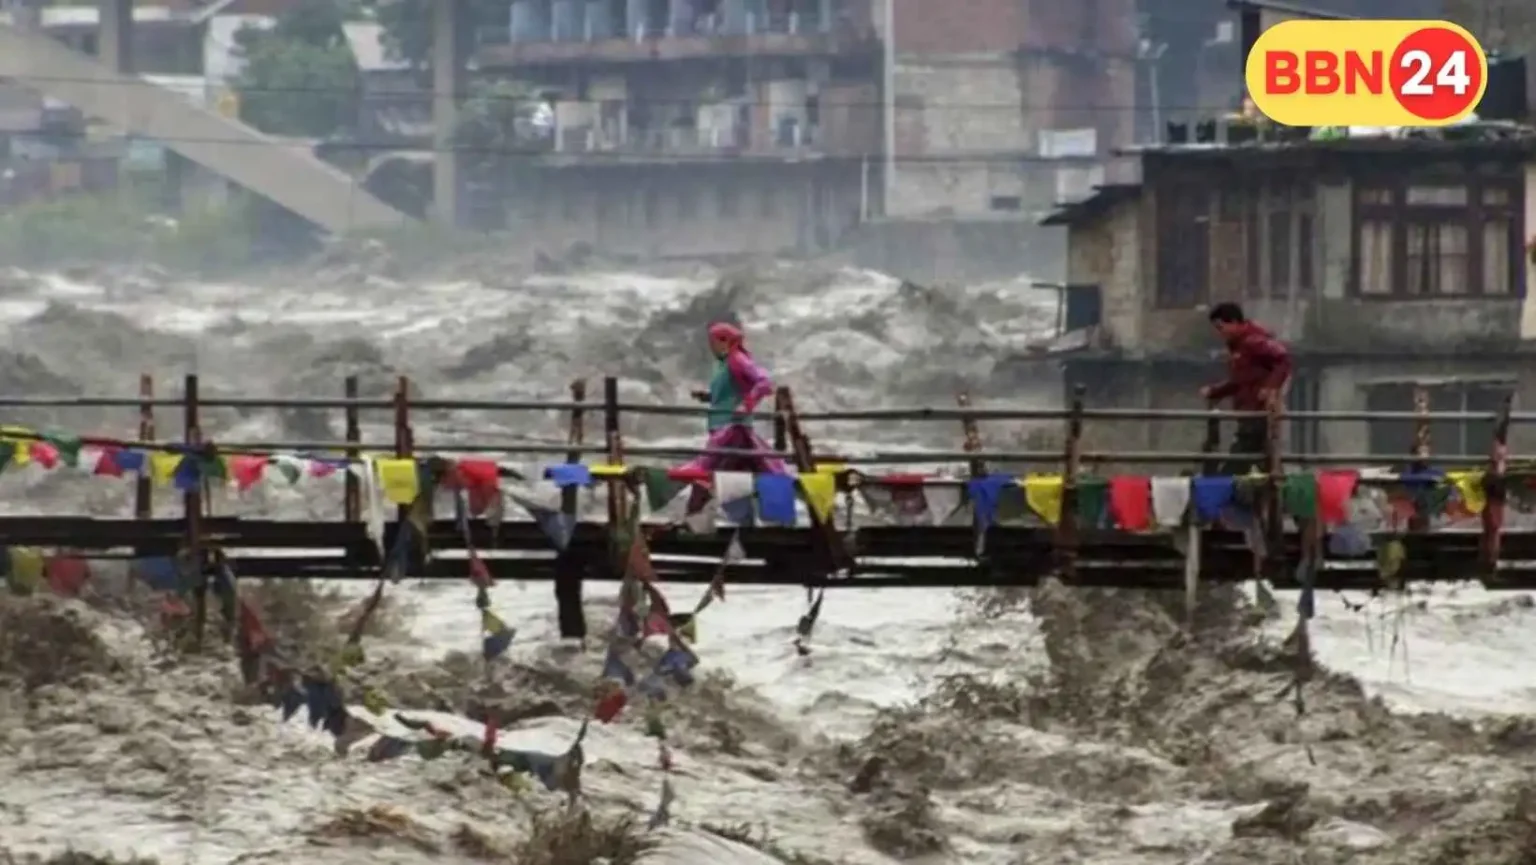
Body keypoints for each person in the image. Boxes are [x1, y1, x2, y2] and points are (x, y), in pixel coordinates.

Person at [678, 322, 785, 478]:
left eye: (714, 343)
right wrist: (708, 396)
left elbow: (764, 383)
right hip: (719, 425)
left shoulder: (737, 359)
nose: (711, 348)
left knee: (710, 464)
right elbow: (730, 392)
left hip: (733, 427)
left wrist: (746, 405)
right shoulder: (721, 364)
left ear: (725, 341)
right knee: (729, 469)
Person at [1199, 302, 1291, 475]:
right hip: (1248, 411)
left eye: (1221, 327)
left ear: (1234, 322)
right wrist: (1215, 391)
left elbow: (1283, 359)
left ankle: (1223, 485)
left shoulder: (1254, 341)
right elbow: (1239, 381)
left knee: (1239, 461)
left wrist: (1270, 388)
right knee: (1264, 463)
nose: (1219, 333)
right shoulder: (1238, 346)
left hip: (1259, 412)